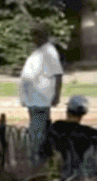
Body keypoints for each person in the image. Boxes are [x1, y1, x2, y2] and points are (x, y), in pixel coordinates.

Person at [17, 25, 64, 156]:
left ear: (42, 37)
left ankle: (35, 156)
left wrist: (56, 95)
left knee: (37, 130)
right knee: (42, 128)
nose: (33, 39)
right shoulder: (39, 52)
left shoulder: (49, 51)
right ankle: (45, 154)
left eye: (35, 36)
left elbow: (58, 74)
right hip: (34, 98)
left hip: (41, 98)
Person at [44, 95, 97, 175]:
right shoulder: (91, 133)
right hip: (83, 175)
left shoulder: (55, 127)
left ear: (67, 110)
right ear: (84, 113)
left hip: (57, 172)